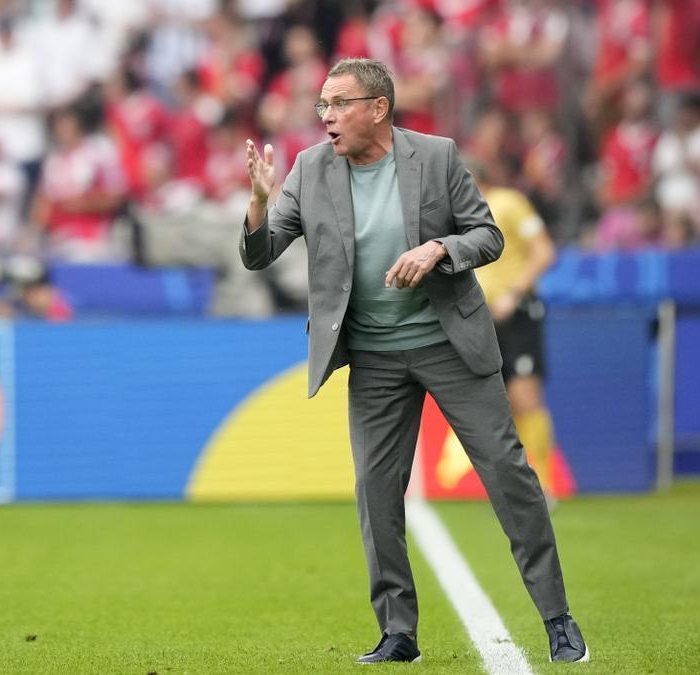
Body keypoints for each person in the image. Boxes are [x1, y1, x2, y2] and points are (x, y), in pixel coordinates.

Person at [240, 58, 587, 664]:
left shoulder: (437, 156)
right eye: (322, 105)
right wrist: (259, 201)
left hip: (449, 343)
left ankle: (557, 619)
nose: (326, 117)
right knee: (376, 492)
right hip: (373, 357)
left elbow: (488, 236)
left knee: (509, 476)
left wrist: (439, 249)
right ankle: (398, 632)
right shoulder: (310, 169)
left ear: (379, 108)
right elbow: (259, 254)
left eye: (339, 103)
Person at [467, 160, 560, 506]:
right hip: (479, 319)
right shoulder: (460, 214)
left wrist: (514, 292)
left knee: (525, 398)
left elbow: (544, 251)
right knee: (497, 405)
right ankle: (515, 486)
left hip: (516, 314)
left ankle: (545, 486)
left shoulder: (509, 202)